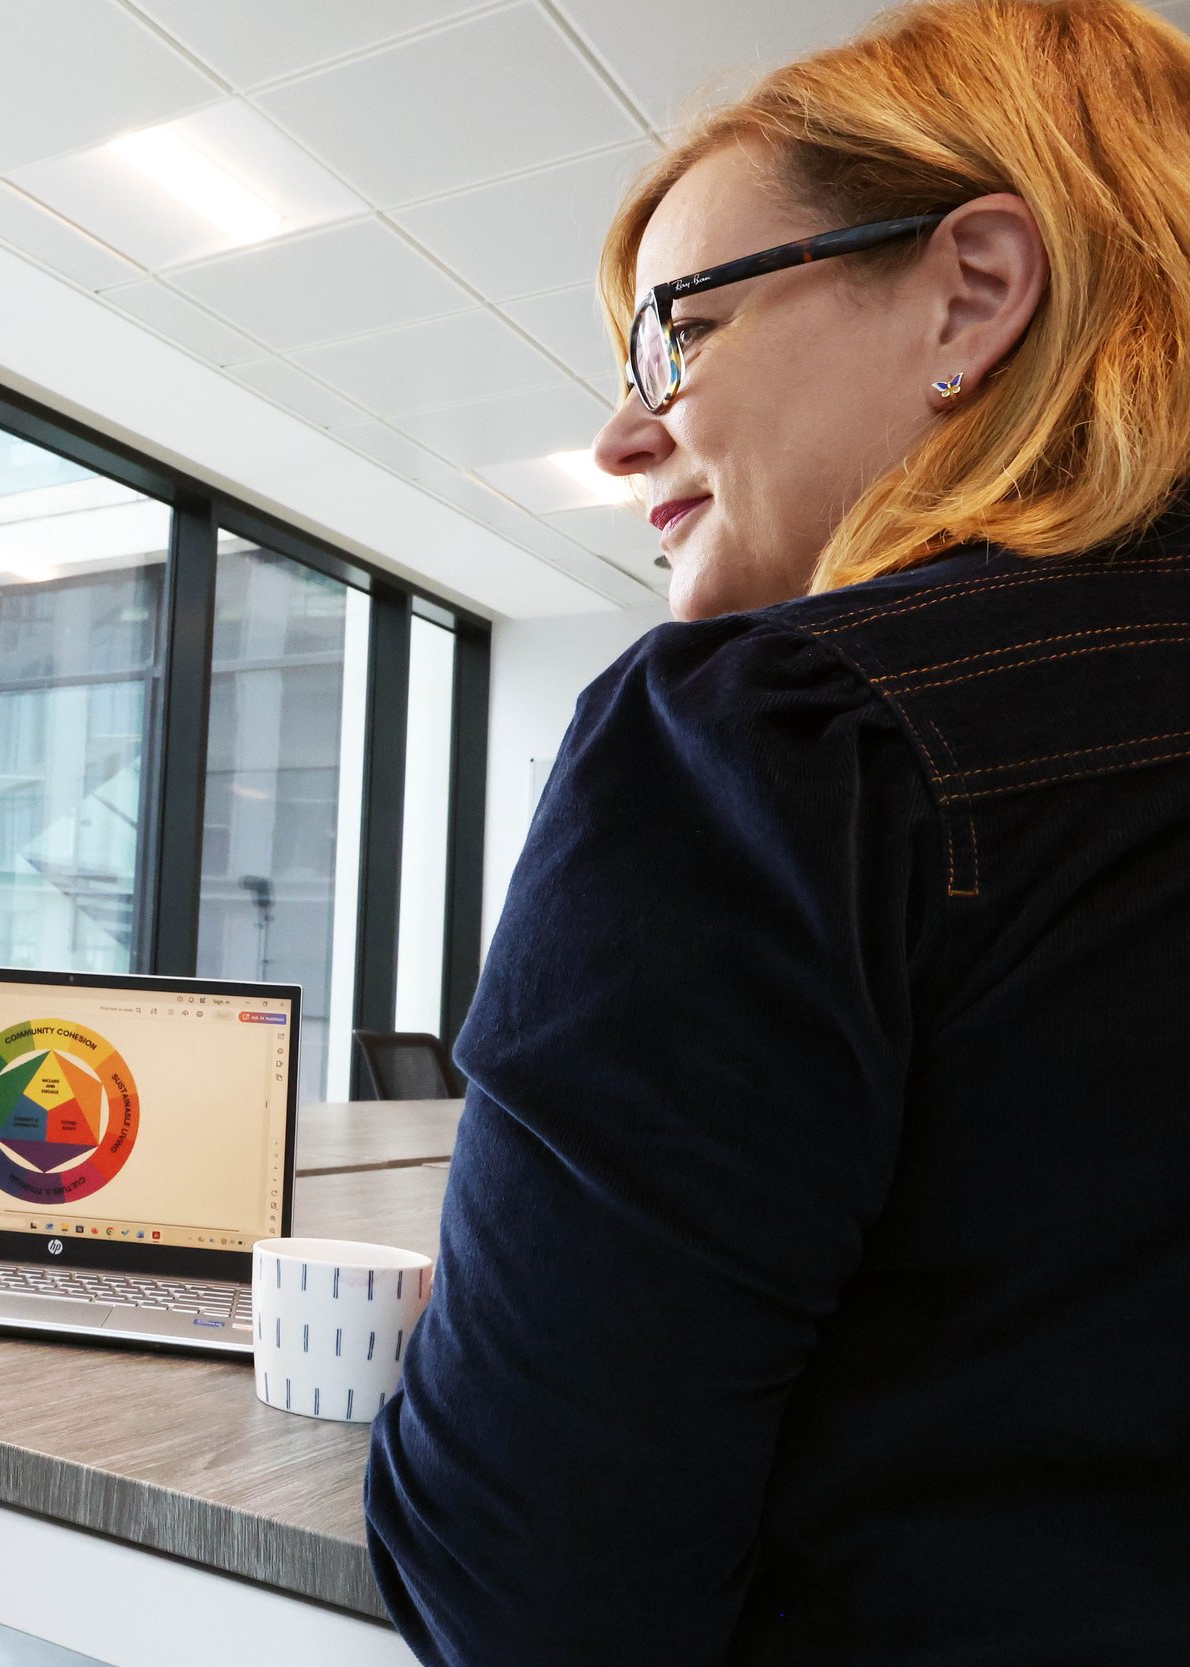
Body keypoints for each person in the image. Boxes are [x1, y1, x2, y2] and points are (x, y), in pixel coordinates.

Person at [364, 1, 1190, 1661]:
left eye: (681, 333)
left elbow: (535, 1592)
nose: (619, 436)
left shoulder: (780, 737)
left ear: (973, 289)